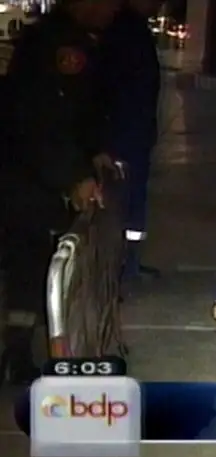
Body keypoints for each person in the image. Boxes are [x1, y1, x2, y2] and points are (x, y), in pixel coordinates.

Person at [0, 0, 121, 386]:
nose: (113, 9)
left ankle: (21, 352)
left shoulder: (80, 41)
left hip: (45, 180)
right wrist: (73, 176)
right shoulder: (53, 46)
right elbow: (40, 123)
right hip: (27, 181)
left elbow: (84, 113)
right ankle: (16, 355)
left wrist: (95, 152)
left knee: (37, 270)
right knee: (27, 268)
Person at [102, 0, 162, 280]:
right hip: (123, 134)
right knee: (122, 203)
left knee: (132, 204)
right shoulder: (122, 29)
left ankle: (130, 264)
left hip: (135, 132)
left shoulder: (132, 28)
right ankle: (120, 268)